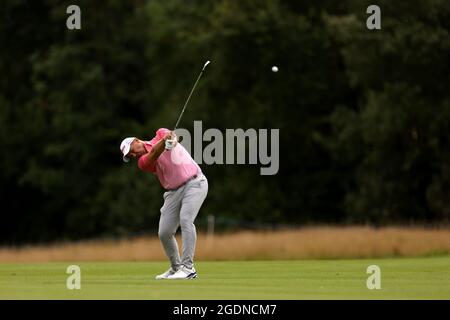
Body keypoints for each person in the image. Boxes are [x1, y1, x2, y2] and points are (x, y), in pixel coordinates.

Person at [120, 128, 208, 280]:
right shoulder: (142, 163)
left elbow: (173, 137)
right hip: (173, 192)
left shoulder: (160, 132)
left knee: (186, 220)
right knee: (164, 232)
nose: (133, 155)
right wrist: (164, 143)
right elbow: (153, 154)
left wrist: (171, 140)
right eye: (129, 156)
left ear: (136, 140)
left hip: (195, 182)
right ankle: (176, 268)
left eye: (131, 151)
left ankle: (188, 269)